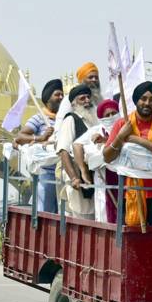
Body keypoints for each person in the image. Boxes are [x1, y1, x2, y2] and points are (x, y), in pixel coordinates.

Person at [103, 81, 152, 226]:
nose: (147, 103)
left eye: (151, 100)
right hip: (132, 193)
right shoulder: (122, 124)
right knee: (133, 241)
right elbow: (107, 156)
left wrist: (137, 140)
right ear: (136, 100)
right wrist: (120, 137)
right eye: (143, 99)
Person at [15, 78, 64, 213]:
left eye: (62, 95)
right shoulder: (39, 118)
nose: (61, 97)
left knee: (63, 212)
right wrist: (40, 138)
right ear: (48, 98)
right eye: (57, 94)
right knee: (46, 212)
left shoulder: (65, 118)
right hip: (46, 172)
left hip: (64, 171)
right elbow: (19, 138)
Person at [56, 83, 98, 219]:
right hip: (78, 180)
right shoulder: (70, 120)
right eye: (82, 98)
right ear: (74, 104)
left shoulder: (94, 121)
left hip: (95, 177)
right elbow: (63, 151)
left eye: (88, 97)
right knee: (82, 218)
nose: (87, 101)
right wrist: (74, 177)